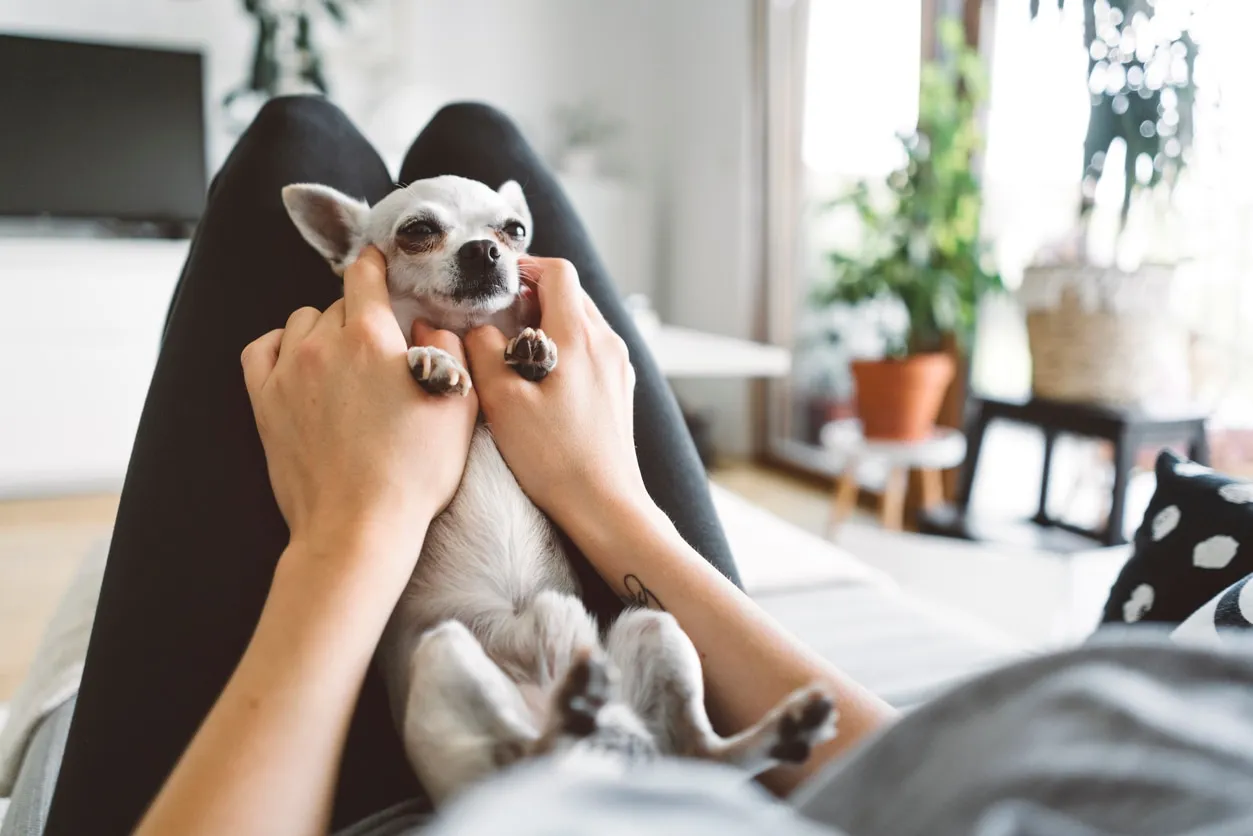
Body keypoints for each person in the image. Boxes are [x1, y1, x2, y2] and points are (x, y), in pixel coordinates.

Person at [35, 98, 1253, 836]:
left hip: (375, 756)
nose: (494, 253)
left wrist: (349, 532)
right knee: (474, 143)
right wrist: (606, 500)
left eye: (502, 237)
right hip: (677, 738)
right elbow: (918, 775)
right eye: (434, 235)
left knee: (299, 138)